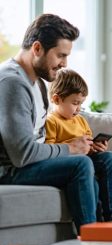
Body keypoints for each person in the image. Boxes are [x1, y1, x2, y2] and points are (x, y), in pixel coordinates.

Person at [0, 14, 96, 233]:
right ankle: (92, 238)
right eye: (61, 55)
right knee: (80, 164)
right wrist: (70, 149)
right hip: (10, 170)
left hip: (30, 164)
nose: (64, 64)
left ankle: (109, 228)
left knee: (102, 160)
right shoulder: (12, 82)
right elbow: (22, 155)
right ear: (37, 48)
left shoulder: (38, 83)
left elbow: (41, 139)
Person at [45, 68, 112, 223]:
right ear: (56, 99)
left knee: (110, 158)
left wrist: (95, 147)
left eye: (81, 103)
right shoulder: (51, 121)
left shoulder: (80, 120)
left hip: (86, 160)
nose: (79, 108)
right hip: (68, 164)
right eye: (75, 103)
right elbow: (49, 150)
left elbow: (89, 143)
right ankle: (94, 225)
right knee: (91, 181)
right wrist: (73, 146)